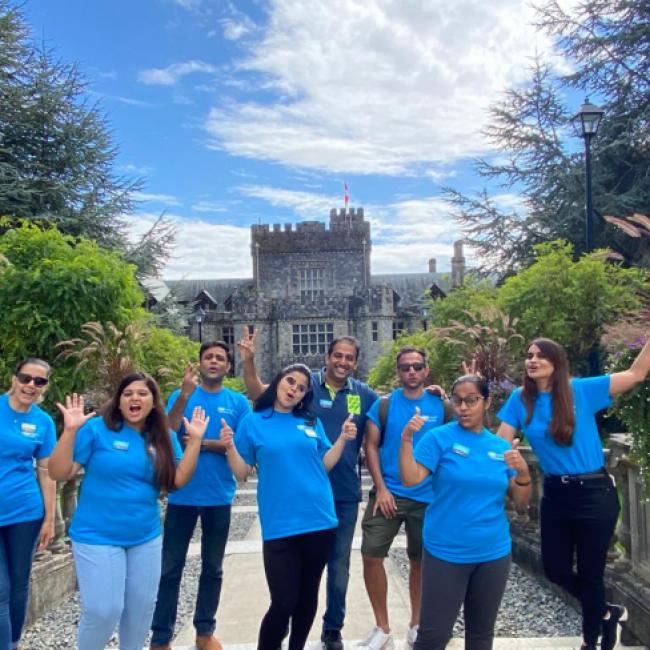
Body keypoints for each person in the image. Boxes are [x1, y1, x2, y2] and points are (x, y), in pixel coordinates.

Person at [497, 336, 650, 650]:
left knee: (591, 572)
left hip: (594, 492)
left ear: (557, 362)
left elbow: (636, 375)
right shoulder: (519, 399)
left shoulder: (579, 390)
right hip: (555, 493)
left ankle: (590, 641)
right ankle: (607, 612)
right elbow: (498, 442)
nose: (533, 360)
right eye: (529, 355)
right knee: (555, 568)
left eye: (541, 356)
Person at [238, 329, 377, 650]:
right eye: (337, 355)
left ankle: (333, 629)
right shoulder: (307, 383)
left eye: (349, 358)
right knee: (285, 598)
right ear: (327, 357)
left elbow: (388, 406)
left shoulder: (361, 393)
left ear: (356, 364)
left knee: (337, 570)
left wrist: (432, 394)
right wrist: (248, 361)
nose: (342, 362)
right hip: (292, 508)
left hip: (339, 495)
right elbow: (260, 391)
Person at [49, 372, 208, 650]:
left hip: (144, 537)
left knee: (141, 611)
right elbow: (59, 471)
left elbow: (177, 481)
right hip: (96, 535)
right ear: (119, 401)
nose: (135, 398)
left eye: (142, 393)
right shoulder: (97, 429)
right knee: (103, 610)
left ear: (153, 402)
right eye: (128, 393)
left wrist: (194, 442)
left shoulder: (164, 437)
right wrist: (70, 431)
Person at [222, 363, 357, 650]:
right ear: (278, 382)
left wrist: (343, 439)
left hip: (320, 520)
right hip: (280, 524)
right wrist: (229, 446)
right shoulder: (254, 421)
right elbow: (242, 473)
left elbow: (324, 465)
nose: (293, 389)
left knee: (308, 596)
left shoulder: (310, 421)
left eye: (301, 387)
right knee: (283, 601)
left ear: (304, 395)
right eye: (290, 381)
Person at [400, 374, 531, 650]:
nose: (463, 407)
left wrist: (522, 472)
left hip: (493, 552)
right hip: (446, 551)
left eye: (471, 400)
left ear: (486, 401)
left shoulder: (500, 446)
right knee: (433, 636)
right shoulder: (438, 438)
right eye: (457, 400)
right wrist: (407, 439)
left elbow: (521, 500)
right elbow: (411, 479)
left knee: (481, 636)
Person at [150, 341, 251, 650]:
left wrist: (201, 443)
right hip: (182, 494)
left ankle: (204, 631)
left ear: (228, 367)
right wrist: (182, 394)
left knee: (213, 568)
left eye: (220, 358)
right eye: (208, 357)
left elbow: (241, 448)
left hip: (218, 495)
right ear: (200, 362)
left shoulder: (237, 403)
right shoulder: (182, 396)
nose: (214, 361)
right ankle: (161, 636)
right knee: (169, 569)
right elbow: (167, 429)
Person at [360, 346, 450, 650]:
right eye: (405, 367)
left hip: (429, 497)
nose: (411, 371)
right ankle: (382, 627)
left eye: (417, 366)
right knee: (371, 554)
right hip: (390, 493)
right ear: (398, 372)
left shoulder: (441, 406)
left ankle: (416, 623)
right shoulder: (384, 406)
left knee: (420, 561)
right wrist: (381, 488)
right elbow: (370, 446)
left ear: (426, 371)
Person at [0, 358, 57, 650]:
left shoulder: (43, 422)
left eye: (39, 381)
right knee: (1, 588)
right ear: (14, 379)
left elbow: (47, 471)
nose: (30, 385)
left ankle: (14, 639)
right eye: (25, 378)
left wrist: (49, 518)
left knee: (20, 583)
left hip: (25, 511)